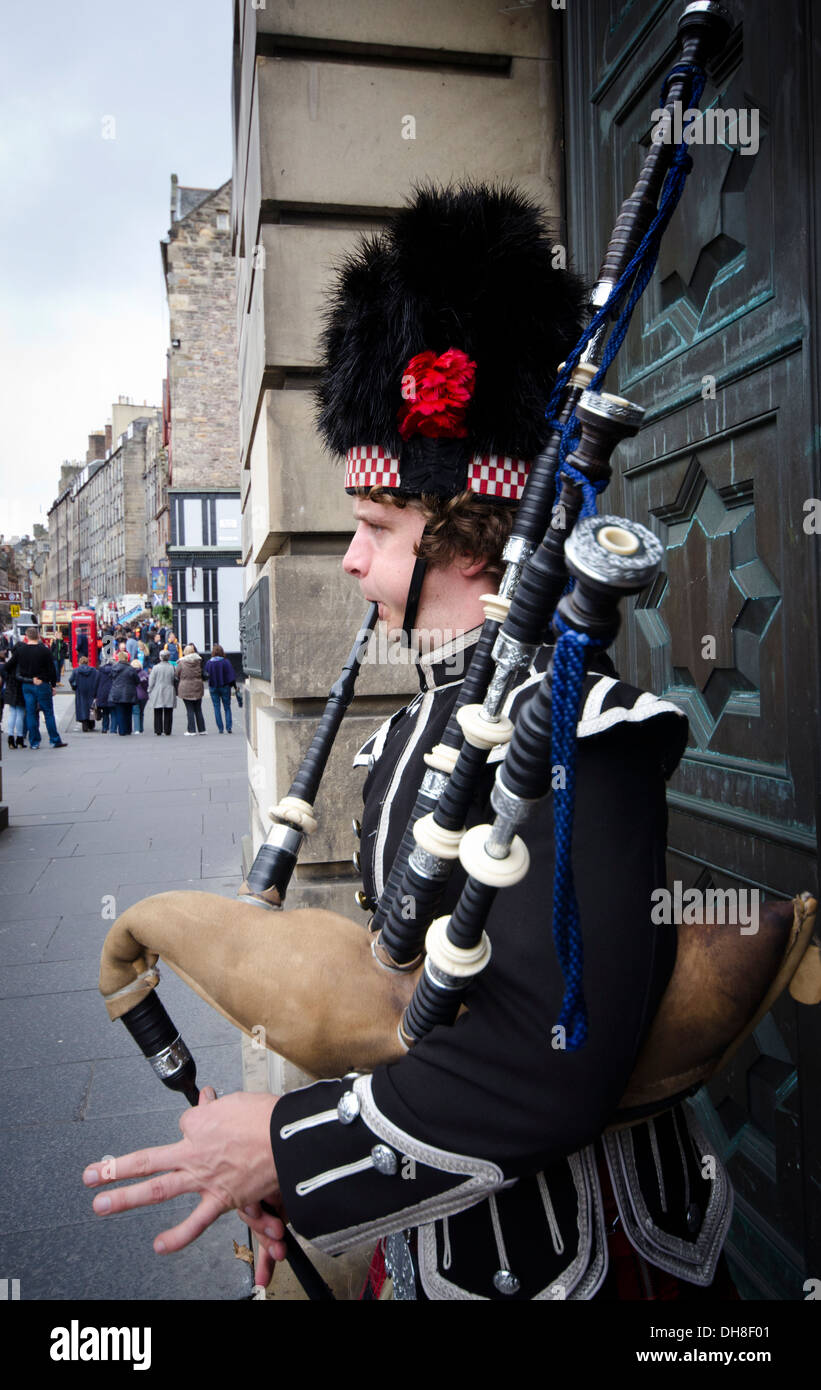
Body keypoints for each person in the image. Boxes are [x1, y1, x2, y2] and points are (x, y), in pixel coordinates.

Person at [81, 185, 736, 1301]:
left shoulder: (586, 730)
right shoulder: (410, 736)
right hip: (441, 1244)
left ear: (473, 538)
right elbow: (416, 1014)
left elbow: (552, 1058)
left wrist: (284, 1146)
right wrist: (306, 1176)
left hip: (583, 1268)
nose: (347, 560)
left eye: (376, 529)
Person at [4, 626, 67, 749]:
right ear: (38, 636)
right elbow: (52, 669)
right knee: (48, 713)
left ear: (26, 637)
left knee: (31, 713)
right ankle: (54, 740)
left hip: (27, 685)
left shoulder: (21, 651)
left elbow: (8, 666)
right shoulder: (45, 650)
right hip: (42, 684)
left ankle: (34, 742)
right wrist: (53, 685)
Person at [204, 643, 238, 733]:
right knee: (227, 707)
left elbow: (205, 675)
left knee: (216, 707)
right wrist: (235, 687)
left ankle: (220, 728)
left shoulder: (209, 663)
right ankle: (229, 727)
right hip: (225, 687)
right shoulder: (226, 662)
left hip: (213, 687)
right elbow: (232, 676)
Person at [148, 650, 178, 736]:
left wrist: (149, 689)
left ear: (160, 657)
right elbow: (175, 678)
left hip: (158, 690)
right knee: (168, 710)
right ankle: (167, 730)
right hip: (169, 689)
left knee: (157, 710)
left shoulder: (155, 667)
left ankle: (158, 729)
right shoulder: (172, 667)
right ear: (168, 657)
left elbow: (151, 681)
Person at [178, 644, 206, 735]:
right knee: (198, 709)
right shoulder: (198, 661)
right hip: (198, 686)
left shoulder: (181, 663)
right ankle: (202, 729)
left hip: (186, 687)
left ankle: (191, 730)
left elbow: (176, 674)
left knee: (189, 709)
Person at [110, 651, 140, 736]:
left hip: (117, 692)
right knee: (128, 711)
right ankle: (128, 729)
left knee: (119, 711)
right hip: (129, 692)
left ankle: (122, 730)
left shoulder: (114, 668)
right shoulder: (131, 669)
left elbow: (111, 678)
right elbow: (137, 681)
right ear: (127, 658)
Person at [0, 654, 27, 747]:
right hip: (20, 689)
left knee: (12, 713)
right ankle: (19, 738)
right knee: (20, 714)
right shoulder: (22, 663)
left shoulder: (9, 664)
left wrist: (7, 678)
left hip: (10, 689)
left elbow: (4, 672)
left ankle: (10, 737)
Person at [68, 656, 99, 732]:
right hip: (91, 690)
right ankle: (91, 724)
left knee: (82, 707)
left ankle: (84, 724)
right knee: (91, 707)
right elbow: (98, 679)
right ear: (87, 662)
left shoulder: (76, 671)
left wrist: (74, 687)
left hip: (80, 691)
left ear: (79, 663)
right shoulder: (94, 670)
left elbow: (71, 680)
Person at [93, 655, 118, 734]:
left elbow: (96, 683)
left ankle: (104, 728)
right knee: (113, 712)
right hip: (113, 693)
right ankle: (113, 729)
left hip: (102, 694)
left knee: (105, 712)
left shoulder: (100, 671)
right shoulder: (116, 671)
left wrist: (95, 695)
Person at [132, 660, 150, 734]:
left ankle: (136, 729)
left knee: (136, 712)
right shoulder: (144, 673)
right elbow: (146, 684)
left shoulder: (130, 673)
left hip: (134, 695)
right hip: (143, 696)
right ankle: (141, 728)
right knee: (141, 712)